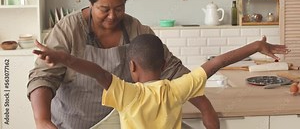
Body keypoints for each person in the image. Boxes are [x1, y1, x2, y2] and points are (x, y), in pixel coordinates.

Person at [27, 0, 218, 129]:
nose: (112, 16)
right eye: (104, 9)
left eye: (119, 8)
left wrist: (205, 107)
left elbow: (173, 71)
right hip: (74, 123)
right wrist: (42, 120)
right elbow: (43, 76)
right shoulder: (68, 29)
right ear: (91, 3)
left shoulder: (136, 30)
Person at [32, 34, 289, 129]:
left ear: (131, 67)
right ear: (165, 66)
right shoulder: (177, 88)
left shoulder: (127, 94)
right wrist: (256, 45)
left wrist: (62, 56)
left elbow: (94, 70)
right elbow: (217, 63)